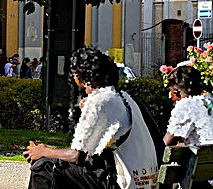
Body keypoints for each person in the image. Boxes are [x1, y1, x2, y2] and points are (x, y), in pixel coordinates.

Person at [23, 46, 158, 189]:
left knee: (43, 167)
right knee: (59, 166)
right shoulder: (124, 97)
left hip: (124, 184)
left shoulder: (99, 100)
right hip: (145, 181)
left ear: (79, 75)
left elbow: (78, 156)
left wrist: (44, 151)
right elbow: (91, 153)